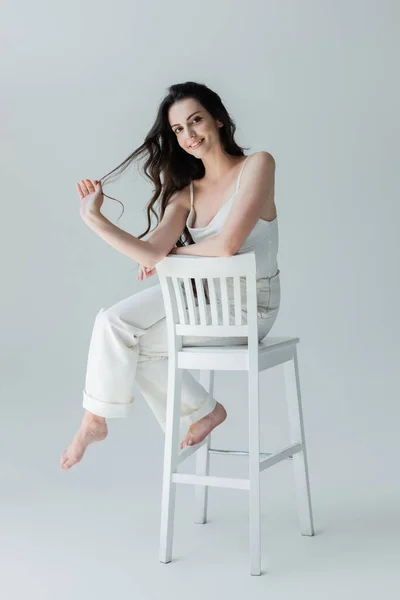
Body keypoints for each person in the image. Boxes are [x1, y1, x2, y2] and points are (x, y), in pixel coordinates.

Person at [60, 81, 280, 471]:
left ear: (220, 119)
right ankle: (96, 419)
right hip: (203, 304)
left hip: (249, 309)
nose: (189, 135)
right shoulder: (185, 195)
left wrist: (171, 254)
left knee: (135, 343)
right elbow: (149, 252)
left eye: (195, 121)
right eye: (179, 129)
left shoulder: (258, 165)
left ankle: (202, 411)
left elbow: (228, 244)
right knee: (114, 326)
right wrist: (93, 217)